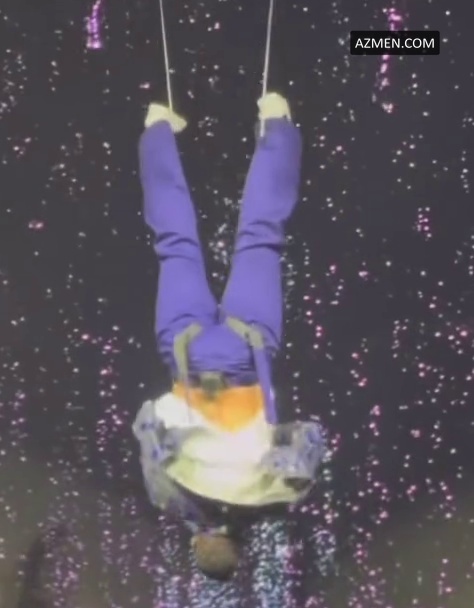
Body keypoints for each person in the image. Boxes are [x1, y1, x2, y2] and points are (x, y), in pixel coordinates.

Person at [133, 92, 326, 581]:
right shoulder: (170, 496)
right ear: (197, 544)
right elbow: (148, 421)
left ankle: (276, 123)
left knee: (261, 236)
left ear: (237, 547)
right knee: (174, 244)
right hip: (185, 350)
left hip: (247, 353)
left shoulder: (269, 500)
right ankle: (156, 129)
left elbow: (310, 438)